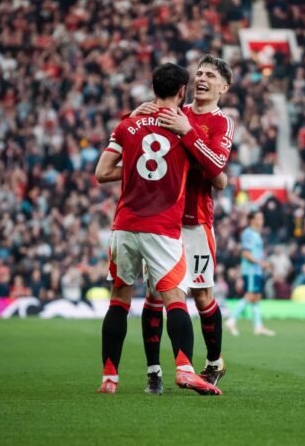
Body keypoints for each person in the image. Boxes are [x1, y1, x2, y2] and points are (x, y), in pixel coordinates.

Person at [93, 63, 221, 396]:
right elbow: (217, 175)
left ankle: (110, 378)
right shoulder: (184, 128)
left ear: (152, 89)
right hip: (162, 227)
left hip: (124, 225)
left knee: (119, 299)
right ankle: (184, 369)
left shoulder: (129, 125)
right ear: (182, 92)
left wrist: (135, 164)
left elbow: (102, 172)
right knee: (175, 299)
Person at [128, 55, 235, 393]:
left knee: (202, 296)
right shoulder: (175, 110)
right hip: (162, 221)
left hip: (196, 222)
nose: (202, 79)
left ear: (223, 87)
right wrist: (136, 114)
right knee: (156, 295)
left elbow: (217, 168)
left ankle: (214, 362)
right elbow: (142, 146)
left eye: (210, 75)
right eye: (199, 73)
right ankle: (154, 372)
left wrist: (188, 134)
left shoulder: (221, 122)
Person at [225, 211, 275, 336]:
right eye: (259, 218)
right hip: (251, 270)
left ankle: (258, 326)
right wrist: (261, 263)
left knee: (256, 297)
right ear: (252, 220)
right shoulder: (248, 233)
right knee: (250, 295)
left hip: (257, 270)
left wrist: (262, 263)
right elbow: (246, 253)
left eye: (262, 218)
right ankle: (231, 319)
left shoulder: (257, 234)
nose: (261, 220)